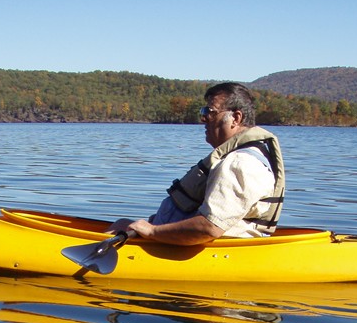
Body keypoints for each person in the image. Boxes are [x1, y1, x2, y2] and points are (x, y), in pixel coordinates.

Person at [108, 82, 285, 246]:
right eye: (203, 112)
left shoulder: (240, 163)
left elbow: (209, 228)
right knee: (122, 225)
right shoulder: (243, 157)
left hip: (210, 251)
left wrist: (153, 231)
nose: (204, 118)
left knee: (119, 227)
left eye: (210, 112)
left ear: (236, 118)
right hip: (186, 242)